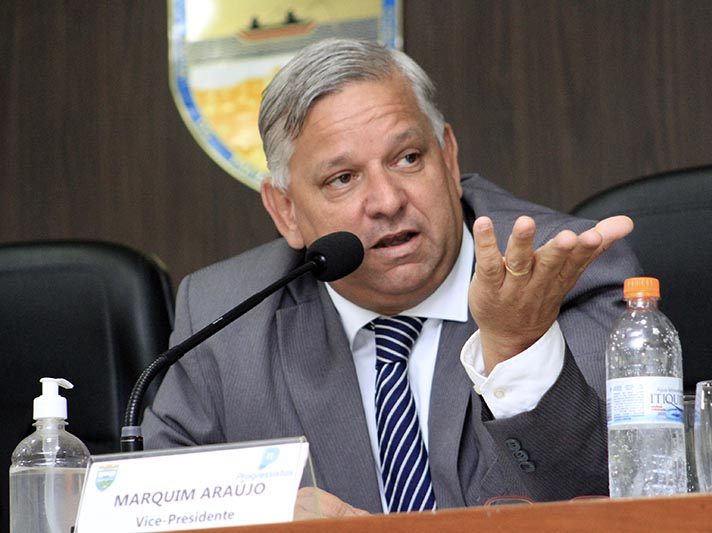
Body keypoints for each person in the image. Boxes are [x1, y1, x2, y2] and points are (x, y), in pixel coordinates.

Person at [142, 38, 641, 516]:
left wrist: (519, 346)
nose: (387, 201)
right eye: (343, 179)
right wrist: (258, 512)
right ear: (286, 210)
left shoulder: (560, 270)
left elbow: (622, 490)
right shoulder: (223, 318)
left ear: (448, 158)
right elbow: (152, 505)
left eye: (408, 158)